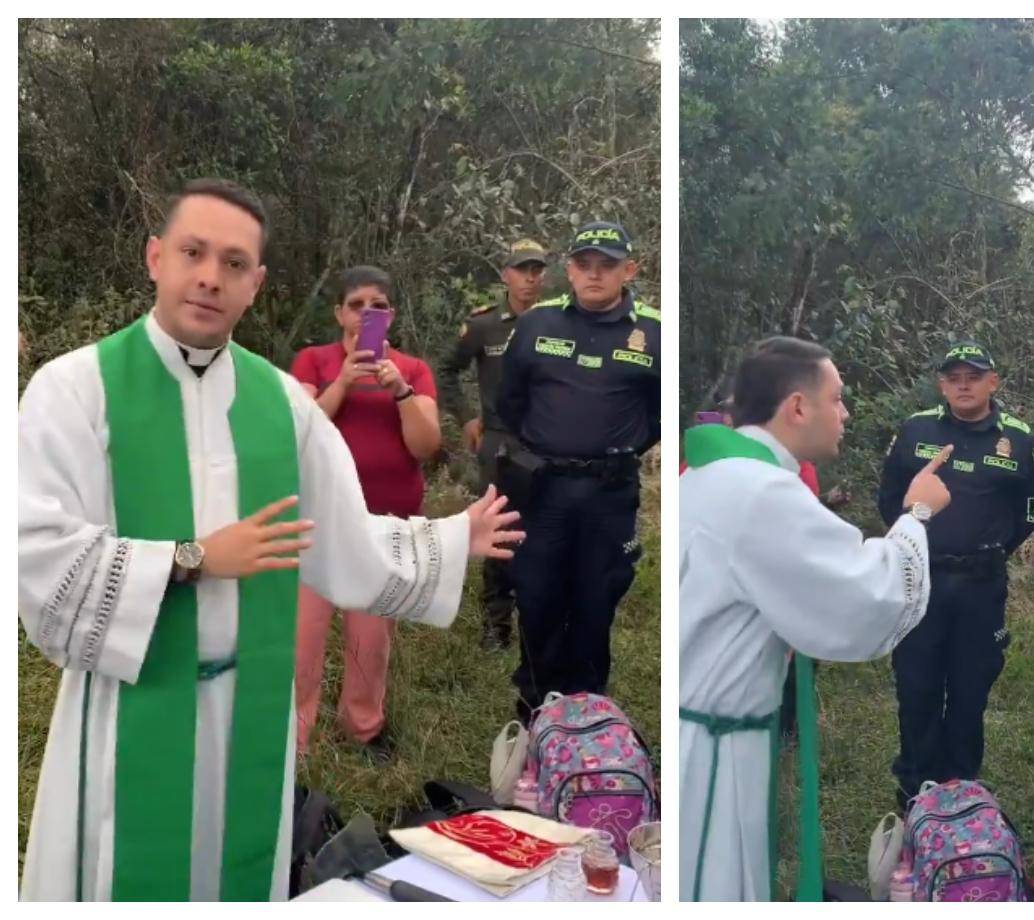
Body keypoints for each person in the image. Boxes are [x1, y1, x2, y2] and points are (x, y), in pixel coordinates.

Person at [18, 178, 523, 902]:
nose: (208, 277)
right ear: (155, 256)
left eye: (232, 263)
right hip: (128, 708)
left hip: (249, 707)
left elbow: (341, 536)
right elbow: (36, 553)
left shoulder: (281, 403)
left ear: (255, 285)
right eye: (193, 252)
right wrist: (192, 559)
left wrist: (449, 538)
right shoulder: (75, 389)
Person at [679, 336, 953, 901]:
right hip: (711, 753)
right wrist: (918, 512)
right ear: (798, 407)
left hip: (706, 724)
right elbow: (866, 592)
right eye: (838, 398)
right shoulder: (760, 491)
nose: (846, 413)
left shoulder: (712, 472)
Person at [496, 221, 660, 723]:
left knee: (595, 602)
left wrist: (618, 449)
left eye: (606, 266)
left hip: (608, 494)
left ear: (628, 270)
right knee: (538, 597)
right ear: (569, 270)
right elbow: (509, 402)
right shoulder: (536, 324)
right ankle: (535, 712)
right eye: (584, 265)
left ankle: (587, 717)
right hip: (543, 490)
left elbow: (658, 415)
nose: (594, 275)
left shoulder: (655, 330)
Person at [290, 266, 440, 763]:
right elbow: (298, 435)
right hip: (316, 525)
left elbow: (426, 445)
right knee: (302, 639)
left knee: (370, 642)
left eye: (377, 305)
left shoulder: (412, 370)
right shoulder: (313, 362)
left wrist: (399, 391)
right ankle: (295, 738)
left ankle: (364, 731)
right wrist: (342, 384)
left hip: (384, 527)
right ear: (338, 312)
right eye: (356, 304)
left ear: (390, 315)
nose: (366, 314)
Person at [878, 341, 1034, 812]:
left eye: (974, 376)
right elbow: (890, 498)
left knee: (970, 689)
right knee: (917, 684)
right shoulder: (916, 428)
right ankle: (914, 787)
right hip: (921, 579)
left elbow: (1027, 509)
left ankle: (962, 789)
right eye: (953, 377)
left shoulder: (1020, 438)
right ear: (941, 385)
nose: (963, 385)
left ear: (994, 382)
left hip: (982, 586)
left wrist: (992, 548)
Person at [439, 239, 548, 650]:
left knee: (542, 532)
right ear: (506, 274)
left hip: (546, 441)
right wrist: (466, 417)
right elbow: (448, 369)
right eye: (522, 270)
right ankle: (495, 626)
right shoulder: (485, 325)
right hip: (499, 441)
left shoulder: (556, 321)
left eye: (537, 270)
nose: (530, 278)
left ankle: (537, 622)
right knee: (499, 530)